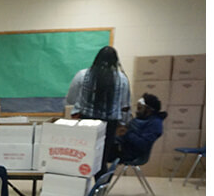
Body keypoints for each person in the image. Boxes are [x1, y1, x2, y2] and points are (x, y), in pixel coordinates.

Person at [66, 46, 130, 179]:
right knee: (102, 158)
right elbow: (124, 105)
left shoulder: (82, 75)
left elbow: (71, 99)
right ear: (115, 60)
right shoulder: (122, 79)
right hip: (109, 124)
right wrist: (123, 123)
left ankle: (80, 187)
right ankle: (100, 188)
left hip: (85, 121)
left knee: (82, 154)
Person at [109, 93, 167, 163]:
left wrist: (126, 133)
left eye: (139, 108)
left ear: (149, 110)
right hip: (123, 148)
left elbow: (143, 144)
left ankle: (104, 173)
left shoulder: (155, 123)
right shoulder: (145, 119)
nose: (137, 111)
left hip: (131, 154)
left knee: (101, 153)